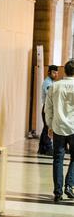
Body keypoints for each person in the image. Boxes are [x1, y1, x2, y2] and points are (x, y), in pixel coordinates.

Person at [45, 59, 74, 202]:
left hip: (58, 127)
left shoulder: (55, 86)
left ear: (64, 71)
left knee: (58, 159)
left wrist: (50, 126)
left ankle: (57, 192)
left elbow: (48, 109)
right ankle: (69, 185)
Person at [38, 65, 58, 156]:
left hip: (48, 108)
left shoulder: (51, 82)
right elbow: (52, 95)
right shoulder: (47, 83)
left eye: (57, 72)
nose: (56, 74)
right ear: (49, 72)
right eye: (54, 72)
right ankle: (47, 148)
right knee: (47, 128)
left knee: (45, 128)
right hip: (47, 108)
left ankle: (42, 148)